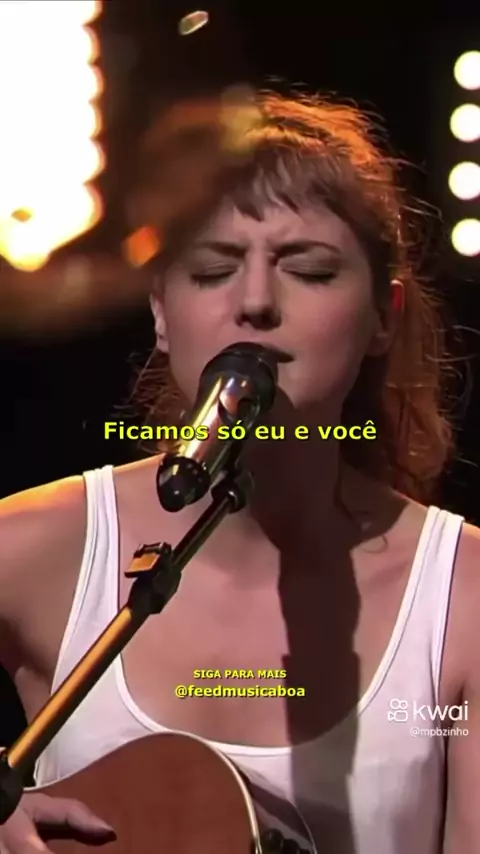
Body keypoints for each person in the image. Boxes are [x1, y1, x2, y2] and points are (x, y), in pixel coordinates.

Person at [0, 89, 479, 854]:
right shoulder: (38, 546)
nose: (255, 302)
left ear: (384, 316)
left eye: (309, 270)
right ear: (161, 309)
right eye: (213, 269)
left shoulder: (464, 597)